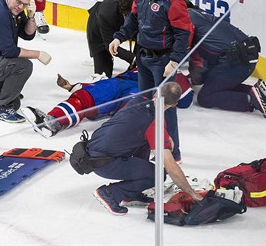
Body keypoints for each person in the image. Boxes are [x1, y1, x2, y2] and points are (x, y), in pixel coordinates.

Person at [109, 0, 192, 161]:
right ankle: (145, 148)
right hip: (143, 56)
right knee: (144, 104)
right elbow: (134, 20)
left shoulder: (174, 2)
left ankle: (174, 153)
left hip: (163, 62)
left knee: (166, 107)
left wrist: (173, 62)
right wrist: (119, 37)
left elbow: (183, 34)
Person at [83, 82, 203, 215]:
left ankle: (131, 193)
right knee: (157, 174)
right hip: (104, 163)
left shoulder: (137, 101)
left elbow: (136, 125)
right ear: (174, 104)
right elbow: (170, 166)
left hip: (91, 151)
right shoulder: (155, 123)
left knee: (144, 142)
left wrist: (166, 138)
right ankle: (111, 193)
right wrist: (191, 192)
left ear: (156, 93)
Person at [21, 69, 193, 138]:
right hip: (120, 83)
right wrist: (75, 86)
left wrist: (176, 81)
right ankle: (54, 121)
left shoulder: (177, 73)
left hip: (142, 93)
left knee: (132, 110)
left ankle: (110, 138)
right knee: (87, 97)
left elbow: (185, 100)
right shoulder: (147, 52)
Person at [188, 7, 266, 116]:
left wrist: (189, 80)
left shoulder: (186, 25)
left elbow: (198, 71)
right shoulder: (200, 15)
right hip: (248, 59)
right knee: (213, 83)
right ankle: (257, 92)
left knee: (205, 97)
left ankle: (249, 99)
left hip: (235, 65)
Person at [86, 0, 136, 78]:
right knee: (103, 76)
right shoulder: (105, 14)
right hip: (98, 29)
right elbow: (109, 45)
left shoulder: (144, 5)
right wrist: (134, 58)